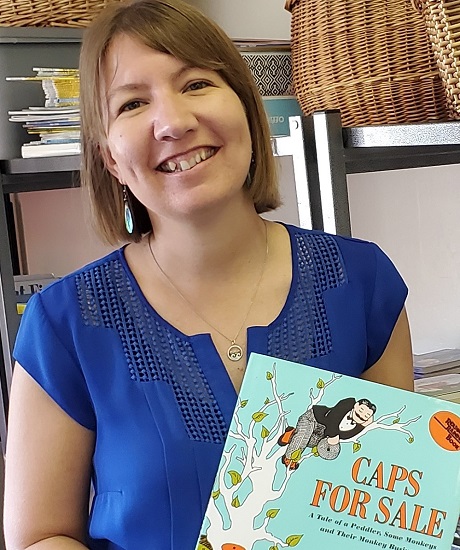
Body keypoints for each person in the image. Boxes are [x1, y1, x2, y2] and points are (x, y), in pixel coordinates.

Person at [3, 0, 414, 548]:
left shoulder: (363, 284)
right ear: (110, 159)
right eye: (132, 104)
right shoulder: (63, 325)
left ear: (246, 107)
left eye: (195, 84)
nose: (173, 122)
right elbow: (39, 536)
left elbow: (393, 516)